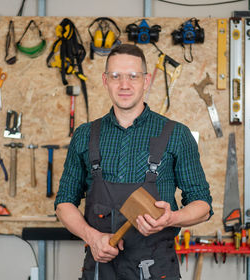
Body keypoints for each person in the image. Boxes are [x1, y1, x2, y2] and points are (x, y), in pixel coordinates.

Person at [55, 43, 213, 280]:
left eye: (133, 76)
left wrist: (172, 218)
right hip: (100, 270)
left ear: (146, 80)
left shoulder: (177, 134)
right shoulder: (85, 135)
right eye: (116, 76)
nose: (124, 84)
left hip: (156, 269)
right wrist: (92, 237)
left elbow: (203, 205)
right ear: (105, 80)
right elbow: (64, 203)